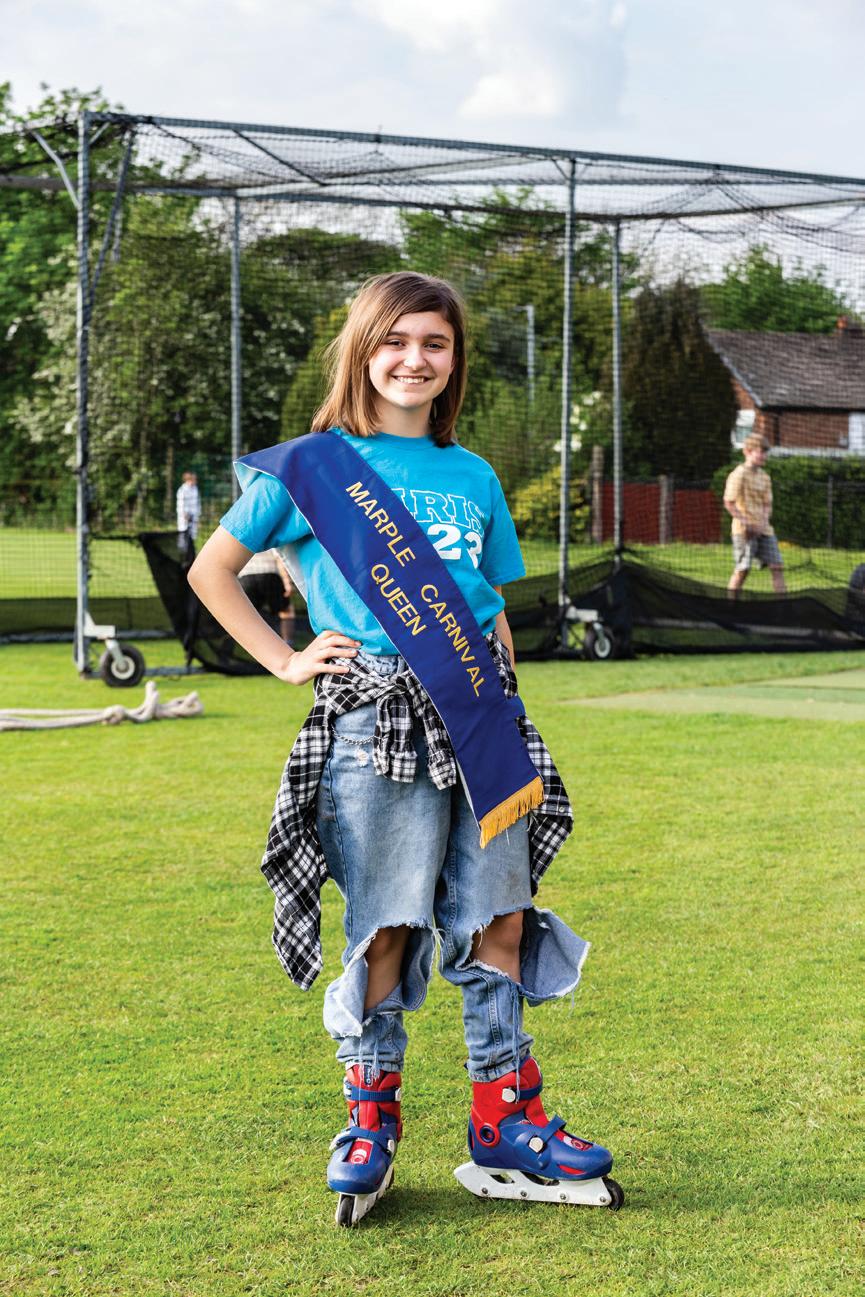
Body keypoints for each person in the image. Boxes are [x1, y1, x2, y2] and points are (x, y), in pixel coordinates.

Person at [188, 272, 622, 1225]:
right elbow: (211, 571)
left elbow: (486, 605)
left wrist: (503, 703)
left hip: (480, 721)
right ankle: (370, 1120)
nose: (413, 359)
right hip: (371, 721)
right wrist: (285, 659)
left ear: (453, 361)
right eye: (395, 340)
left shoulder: (474, 476)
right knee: (384, 922)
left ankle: (504, 1119)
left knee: (500, 913)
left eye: (434, 343)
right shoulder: (309, 468)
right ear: (362, 349)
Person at [724, 433, 787, 598]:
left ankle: (783, 607)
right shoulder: (738, 474)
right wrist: (747, 524)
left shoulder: (765, 477)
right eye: (760, 452)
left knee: (777, 566)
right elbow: (729, 502)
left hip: (764, 530)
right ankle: (730, 606)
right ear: (747, 451)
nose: (764, 456)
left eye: (766, 452)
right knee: (743, 570)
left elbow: (767, 504)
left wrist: (763, 524)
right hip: (743, 531)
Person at [238, 548, 296, 645]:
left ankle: (254, 645)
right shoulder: (270, 539)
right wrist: (287, 583)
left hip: (246, 577)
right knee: (286, 611)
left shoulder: (239, 541)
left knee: (249, 614)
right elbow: (279, 559)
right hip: (269, 574)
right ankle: (288, 644)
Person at [176, 471, 201, 564]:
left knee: (192, 536)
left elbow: (198, 503)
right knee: (183, 537)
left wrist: (198, 515)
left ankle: (191, 556)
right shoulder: (182, 490)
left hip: (194, 517)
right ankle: (182, 556)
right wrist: (185, 515)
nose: (195, 481)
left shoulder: (195, 489)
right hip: (184, 519)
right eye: (194, 479)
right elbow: (181, 505)